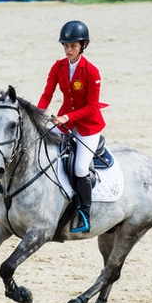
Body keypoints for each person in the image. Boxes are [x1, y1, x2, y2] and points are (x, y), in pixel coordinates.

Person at [37, 20, 107, 233]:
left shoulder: (92, 72)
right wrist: (36, 115)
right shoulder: (58, 66)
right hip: (66, 121)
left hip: (88, 126)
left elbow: (93, 106)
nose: (68, 49)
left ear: (83, 46)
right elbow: (47, 94)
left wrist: (67, 117)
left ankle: (84, 214)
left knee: (79, 168)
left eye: (73, 46)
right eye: (66, 45)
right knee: (43, 146)